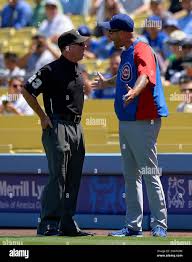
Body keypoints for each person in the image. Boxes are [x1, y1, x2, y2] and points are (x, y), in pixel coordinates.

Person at [92, 14, 169, 237]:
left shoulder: (142, 48)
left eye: (112, 31)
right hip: (127, 121)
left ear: (124, 33)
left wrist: (135, 91)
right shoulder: (127, 52)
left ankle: (159, 224)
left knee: (149, 172)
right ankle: (133, 225)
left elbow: (145, 75)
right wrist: (107, 81)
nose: (109, 35)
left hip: (143, 120)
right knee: (131, 175)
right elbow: (127, 74)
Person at [22, 29, 94, 237]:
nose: (85, 47)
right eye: (80, 44)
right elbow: (27, 90)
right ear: (67, 48)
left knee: (73, 178)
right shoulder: (50, 70)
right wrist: (42, 116)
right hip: (58, 126)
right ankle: (47, 224)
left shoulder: (77, 70)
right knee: (59, 177)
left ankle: (67, 223)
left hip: (76, 128)